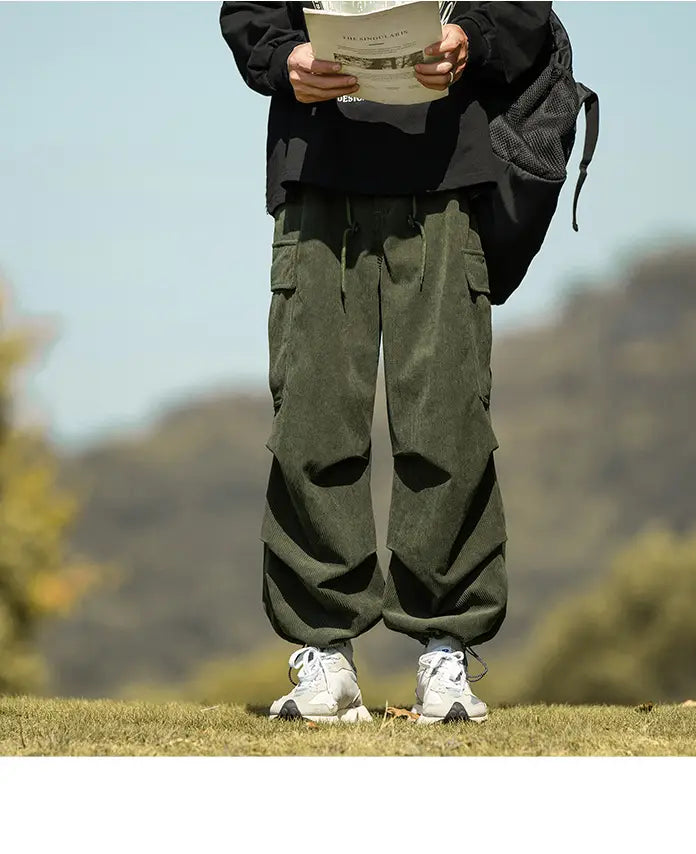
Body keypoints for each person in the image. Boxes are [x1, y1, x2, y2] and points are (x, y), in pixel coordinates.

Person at [219, 1, 552, 724]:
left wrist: (470, 39)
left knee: (448, 422)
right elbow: (247, 12)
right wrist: (286, 61)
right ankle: (324, 656)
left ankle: (446, 651)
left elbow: (526, 11)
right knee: (311, 420)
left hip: (446, 179)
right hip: (315, 177)